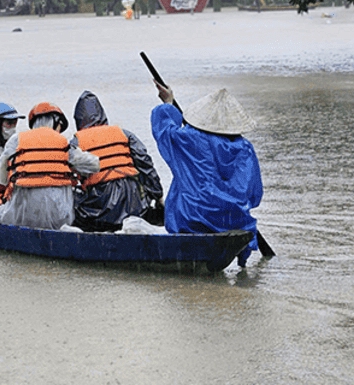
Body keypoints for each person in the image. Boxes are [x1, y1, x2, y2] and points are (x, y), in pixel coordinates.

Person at [151, 84, 263, 266]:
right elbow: (254, 196)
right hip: (234, 221)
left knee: (183, 188)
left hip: (192, 219)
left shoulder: (189, 139)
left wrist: (167, 103)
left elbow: (163, 129)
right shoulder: (246, 148)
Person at [0, 102, 99, 230]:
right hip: (61, 219)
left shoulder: (16, 140)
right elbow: (94, 165)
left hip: (20, 217)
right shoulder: (64, 143)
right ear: (56, 122)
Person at [70, 91, 163, 232]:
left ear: (78, 119)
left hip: (98, 206)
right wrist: (158, 195)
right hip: (133, 201)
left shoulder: (76, 142)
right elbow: (145, 164)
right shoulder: (123, 133)